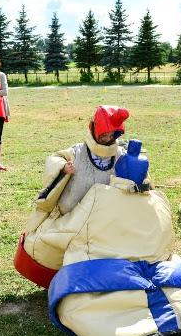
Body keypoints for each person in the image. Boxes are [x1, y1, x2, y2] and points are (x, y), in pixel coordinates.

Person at [44, 140, 181, 336]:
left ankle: (123, 331)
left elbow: (66, 230)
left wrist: (45, 225)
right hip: (157, 267)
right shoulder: (159, 200)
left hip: (111, 271)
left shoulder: (99, 196)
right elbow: (167, 240)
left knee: (72, 298)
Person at [14, 105, 129, 287]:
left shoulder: (119, 155)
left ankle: (89, 284)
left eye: (111, 136)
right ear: (93, 128)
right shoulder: (78, 152)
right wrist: (63, 168)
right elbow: (55, 159)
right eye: (104, 135)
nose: (107, 139)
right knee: (54, 246)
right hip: (70, 217)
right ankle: (58, 281)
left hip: (101, 219)